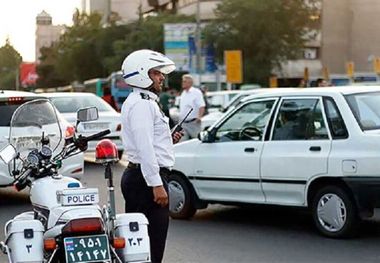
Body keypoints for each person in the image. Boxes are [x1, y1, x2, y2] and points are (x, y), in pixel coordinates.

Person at [119, 49, 183, 263]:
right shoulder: (142, 104)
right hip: (145, 181)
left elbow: (147, 142)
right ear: (142, 74)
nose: (161, 77)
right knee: (151, 247)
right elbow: (145, 148)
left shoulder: (142, 101)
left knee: (140, 246)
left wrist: (168, 139)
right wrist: (156, 184)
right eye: (156, 73)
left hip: (140, 178)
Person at [179, 74, 206, 140]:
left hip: (193, 123)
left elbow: (202, 106)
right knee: (182, 143)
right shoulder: (183, 93)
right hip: (183, 123)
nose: (182, 83)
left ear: (190, 83)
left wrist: (199, 117)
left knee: (197, 141)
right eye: (183, 81)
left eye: (184, 81)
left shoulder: (196, 92)